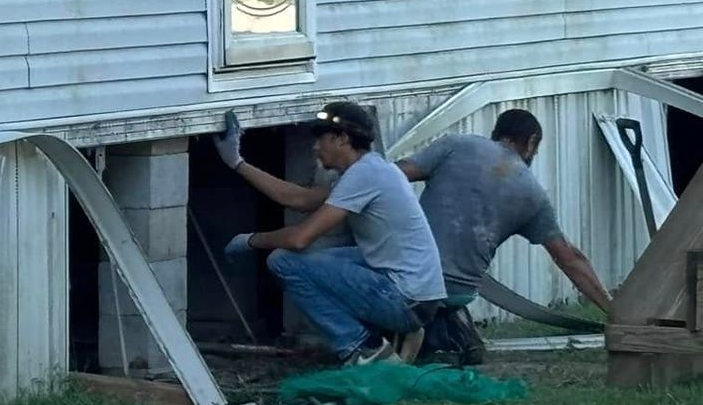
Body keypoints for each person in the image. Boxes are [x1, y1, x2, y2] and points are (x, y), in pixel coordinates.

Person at [213, 101, 448, 366]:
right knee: (323, 258)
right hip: (418, 295)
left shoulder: (365, 175)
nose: (315, 148)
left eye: (321, 139)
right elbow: (299, 199)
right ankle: (399, 333)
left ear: (342, 139)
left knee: (284, 261)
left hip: (406, 299)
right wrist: (237, 162)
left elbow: (300, 239)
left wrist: (252, 240)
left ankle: (362, 349)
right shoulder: (371, 169)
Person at [397, 108, 612, 364]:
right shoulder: (533, 194)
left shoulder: (455, 145)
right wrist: (613, 310)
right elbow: (569, 258)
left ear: (496, 132)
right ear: (531, 142)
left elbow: (392, 176)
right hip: (459, 292)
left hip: (410, 280)